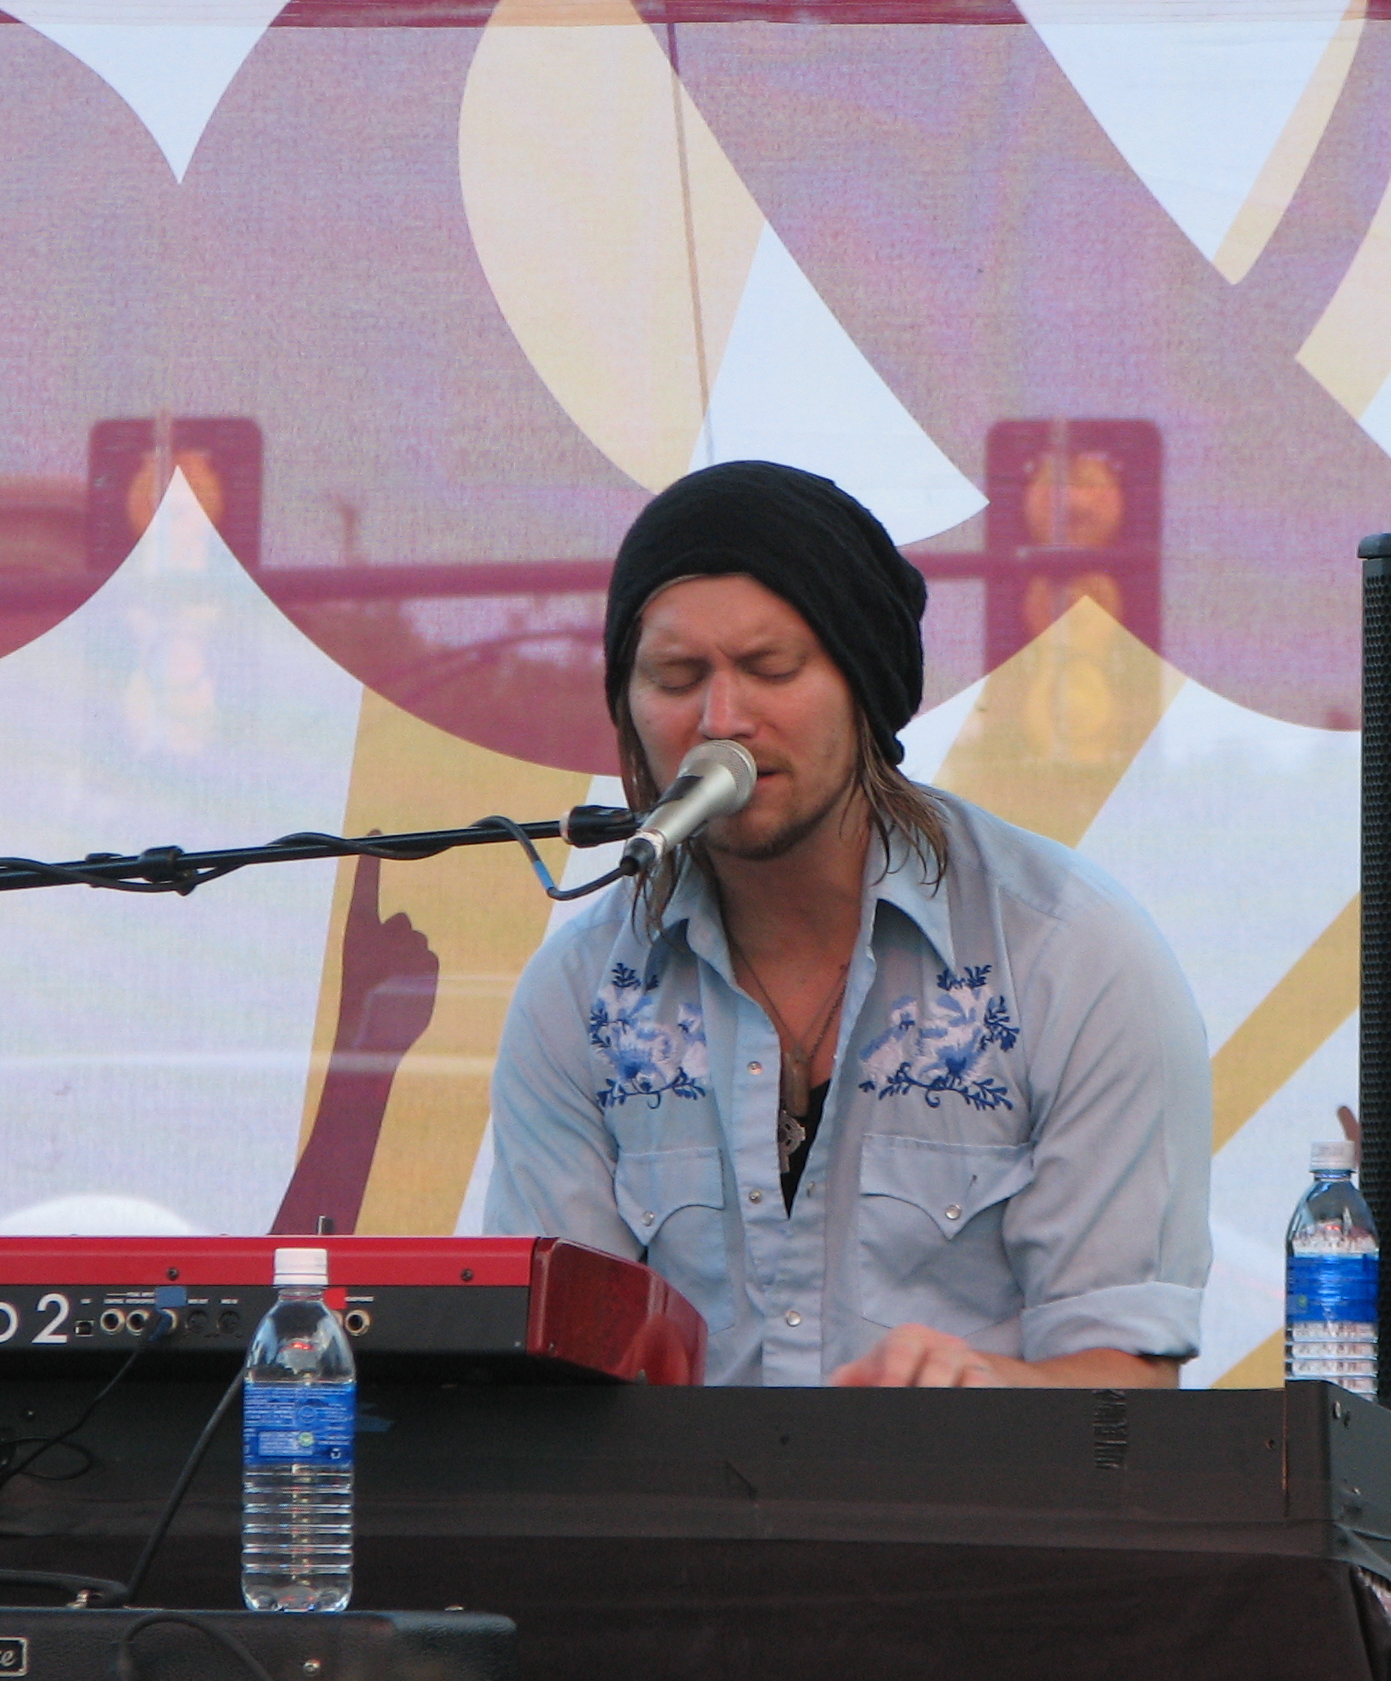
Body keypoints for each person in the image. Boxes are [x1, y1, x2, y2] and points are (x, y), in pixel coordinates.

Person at [484, 462, 1211, 1386]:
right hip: (682, 1528)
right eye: (674, 677)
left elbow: (1130, 1387)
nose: (721, 720)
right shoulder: (583, 994)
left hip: (981, 1524)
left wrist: (987, 1392)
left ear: (864, 684)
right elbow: (557, 1381)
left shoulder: (1072, 957)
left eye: (770, 669)